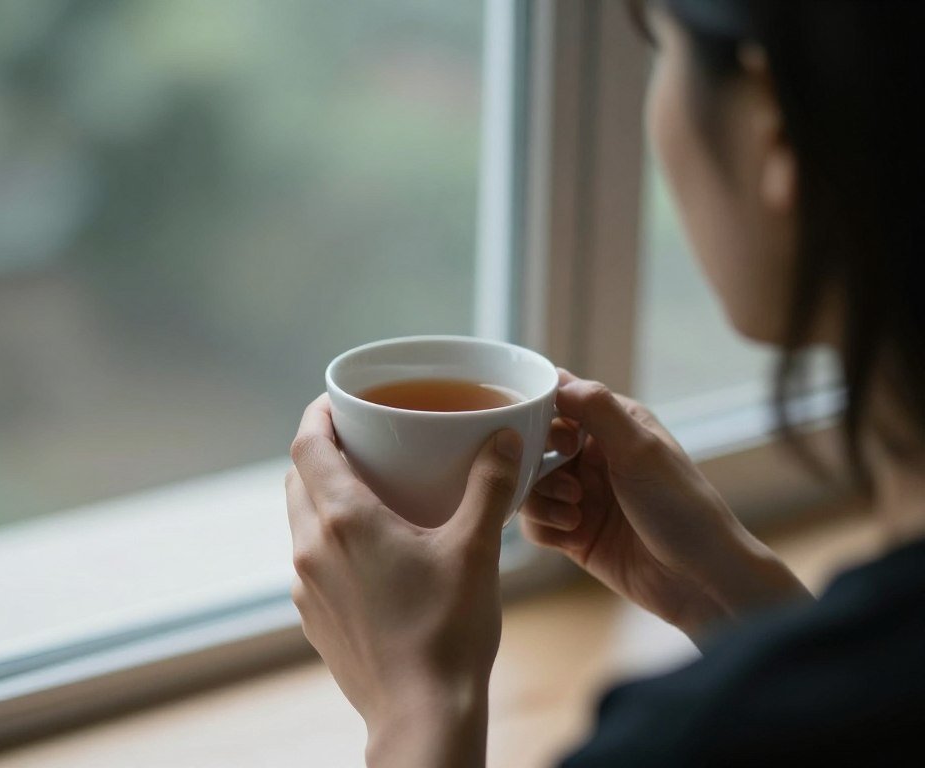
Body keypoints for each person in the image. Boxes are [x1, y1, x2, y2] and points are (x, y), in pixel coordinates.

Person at [284, 0, 925, 764]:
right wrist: (734, 600)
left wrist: (417, 704)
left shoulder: (685, 743)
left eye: (662, 53)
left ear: (771, 128)